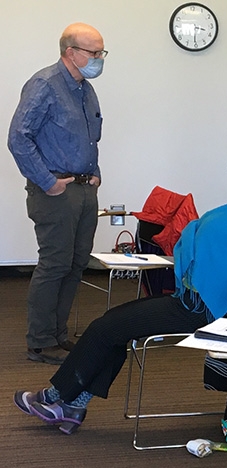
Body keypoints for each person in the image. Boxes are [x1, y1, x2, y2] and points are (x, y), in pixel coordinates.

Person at [13, 144, 227, 441]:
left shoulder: (212, 222)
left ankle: (55, 396)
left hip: (198, 313)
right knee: (116, 328)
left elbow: (185, 270)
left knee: (106, 326)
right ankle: (71, 405)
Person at [8, 23, 108, 365]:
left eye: (101, 52)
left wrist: (94, 173)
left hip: (83, 189)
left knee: (77, 263)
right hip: (55, 191)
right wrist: (47, 181)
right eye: (93, 53)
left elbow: (88, 137)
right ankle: (40, 341)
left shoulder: (86, 89)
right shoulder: (44, 85)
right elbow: (19, 138)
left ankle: (58, 334)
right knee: (55, 264)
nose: (98, 59)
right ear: (70, 52)